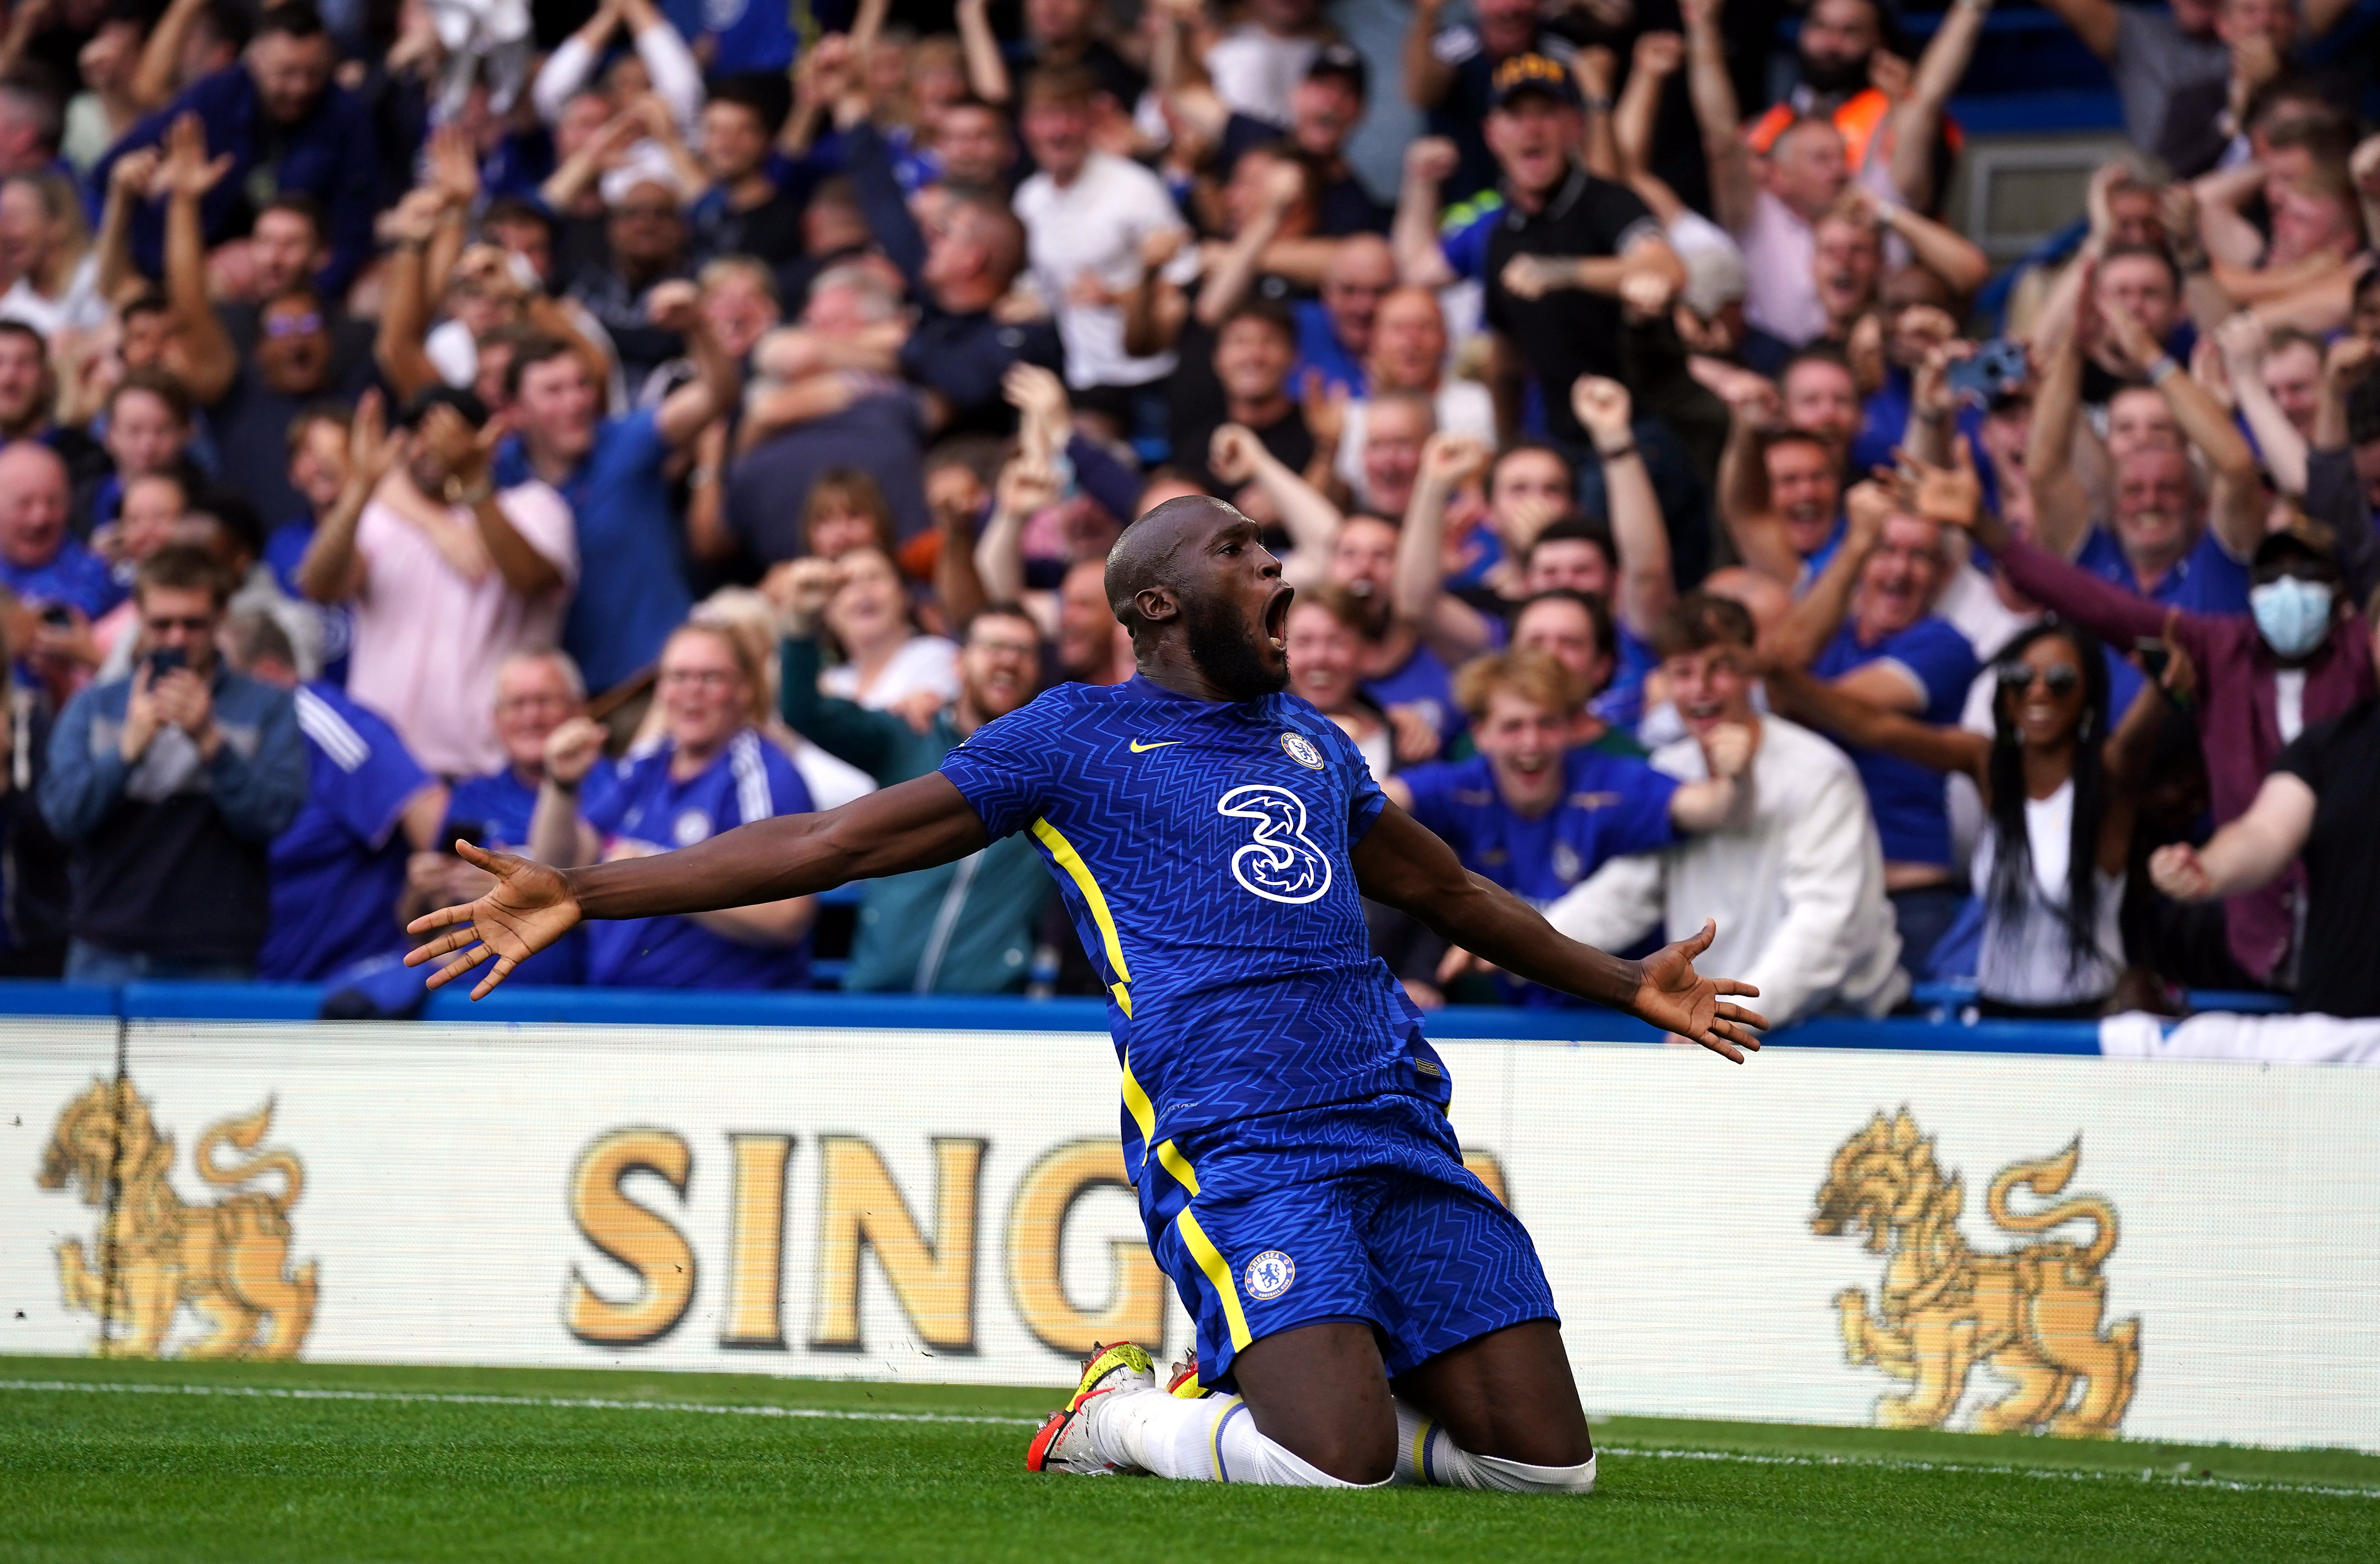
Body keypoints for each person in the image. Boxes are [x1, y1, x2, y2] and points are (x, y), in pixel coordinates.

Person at [406, 492, 1763, 1493]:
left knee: (1549, 1476)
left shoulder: (1314, 740)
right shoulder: (1075, 736)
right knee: (1335, 1468)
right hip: (1238, 1140)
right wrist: (589, 887)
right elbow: (832, 843)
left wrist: (1623, 984)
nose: (1274, 566)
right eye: (1240, 551)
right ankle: (1121, 1415)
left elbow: (1453, 894)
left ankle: (1333, 1386)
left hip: (1395, 1125)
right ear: (1156, 604)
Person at [1549, 592, 1905, 1026]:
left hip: (1841, 1028)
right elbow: (1622, 896)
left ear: (1751, 674)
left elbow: (1827, 927)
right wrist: (1514, 943)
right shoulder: (1669, 768)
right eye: (1682, 673)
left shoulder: (1819, 771)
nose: (1700, 688)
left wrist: (1734, 1016)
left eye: (1720, 668)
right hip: (1719, 1027)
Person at [1772, 621, 2145, 1017]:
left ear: (2089, 692)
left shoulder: (2110, 776)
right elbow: (1878, 729)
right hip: (1996, 1015)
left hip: (2087, 1019)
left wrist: (2168, 681)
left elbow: (2153, 719)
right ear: (2004, 693)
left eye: (2060, 679)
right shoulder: (1989, 766)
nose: (2037, 690)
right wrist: (1776, 674)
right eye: (2019, 677)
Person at [1387, 649, 1753, 1005]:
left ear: (1568, 729)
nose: (1531, 743)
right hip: (1505, 1015)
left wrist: (1735, 777)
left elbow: (1712, 808)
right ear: (1480, 734)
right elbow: (1374, 801)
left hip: (1603, 1014)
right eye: (1513, 726)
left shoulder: (1609, 783)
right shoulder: (1461, 786)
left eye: (1546, 723)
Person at [39, 543, 306, 980]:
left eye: (193, 624)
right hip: (106, 947)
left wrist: (212, 744)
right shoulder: (95, 707)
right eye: (162, 624)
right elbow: (63, 816)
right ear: (140, 621)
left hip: (217, 952)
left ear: (221, 618)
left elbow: (274, 817)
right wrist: (126, 752)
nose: (177, 638)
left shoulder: (267, 707)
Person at [777, 571, 1050, 993]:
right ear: (958, 662)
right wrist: (800, 626)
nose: (1008, 661)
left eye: (1023, 651)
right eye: (993, 646)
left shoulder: (1056, 767)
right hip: (876, 1000)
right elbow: (804, 711)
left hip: (988, 1016)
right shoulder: (907, 735)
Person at [296, 388, 576, 778]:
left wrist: (472, 479)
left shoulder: (533, 507)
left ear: (489, 441)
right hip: (383, 774)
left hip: (486, 771)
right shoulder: (380, 519)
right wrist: (361, 487)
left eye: (449, 435)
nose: (429, 447)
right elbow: (320, 586)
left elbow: (531, 579)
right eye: (416, 434)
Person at [526, 621, 818, 989]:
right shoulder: (646, 764)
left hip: (719, 1021)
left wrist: (658, 877)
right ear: (661, 689)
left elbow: (785, 917)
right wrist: (562, 785)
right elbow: (555, 869)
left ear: (744, 689)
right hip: (615, 1012)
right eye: (678, 676)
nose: (691, 691)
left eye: (710, 678)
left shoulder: (764, 774)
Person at [491, 286, 740, 696]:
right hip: (572, 702)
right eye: (553, 391)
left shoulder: (624, 443)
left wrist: (696, 327)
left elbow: (718, 394)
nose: (576, 402)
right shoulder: (501, 470)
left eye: (582, 385)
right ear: (515, 412)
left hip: (660, 684)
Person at [2152, 605, 2380, 1018]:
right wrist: (2208, 867)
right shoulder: (2327, 749)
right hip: (2343, 1032)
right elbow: (2265, 834)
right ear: (2373, 640)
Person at [93, 3, 379, 294]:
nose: (300, 88)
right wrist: (145, 181)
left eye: (314, 74)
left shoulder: (346, 115)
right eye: (286, 73)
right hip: (196, 270)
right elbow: (109, 172)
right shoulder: (217, 97)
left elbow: (354, 230)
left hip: (304, 284)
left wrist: (313, 289)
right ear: (255, 61)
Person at [226, 611, 448, 982]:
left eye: (224, 685)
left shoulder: (315, 716)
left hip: (337, 1000)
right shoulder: (211, 743)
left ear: (268, 676)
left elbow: (439, 822)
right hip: (237, 990)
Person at [409, 649, 591, 987]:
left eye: (545, 701)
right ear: (496, 719)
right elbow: (415, 918)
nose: (531, 716)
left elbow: (624, 897)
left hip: (572, 1002)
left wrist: (517, 892)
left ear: (578, 708)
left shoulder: (611, 785)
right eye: (517, 704)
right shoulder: (473, 796)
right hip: (470, 997)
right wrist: (425, 885)